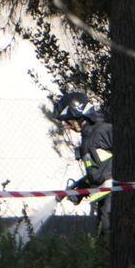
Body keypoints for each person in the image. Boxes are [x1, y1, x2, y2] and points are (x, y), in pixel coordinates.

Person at [51, 91, 114, 235]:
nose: (66, 126)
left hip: (117, 198)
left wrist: (113, 181)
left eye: (68, 121)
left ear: (78, 115)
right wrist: (78, 188)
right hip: (106, 201)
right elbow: (98, 172)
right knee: (104, 239)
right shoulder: (87, 138)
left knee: (108, 238)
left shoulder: (104, 131)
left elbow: (127, 158)